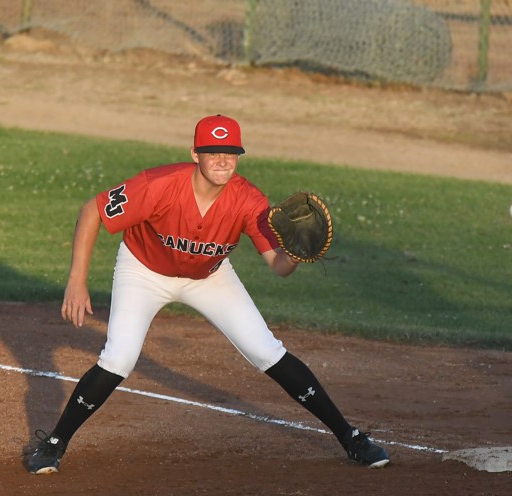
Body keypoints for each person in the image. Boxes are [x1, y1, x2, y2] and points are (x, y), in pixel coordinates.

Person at [26, 114, 390, 473]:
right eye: (213, 151)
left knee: (266, 351)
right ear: (195, 154)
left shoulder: (249, 201)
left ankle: (351, 438)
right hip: (143, 271)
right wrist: (77, 279)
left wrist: (293, 255)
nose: (222, 160)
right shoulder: (158, 184)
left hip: (209, 277)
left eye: (230, 152)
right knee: (119, 358)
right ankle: (55, 441)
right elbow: (92, 210)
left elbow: (277, 265)